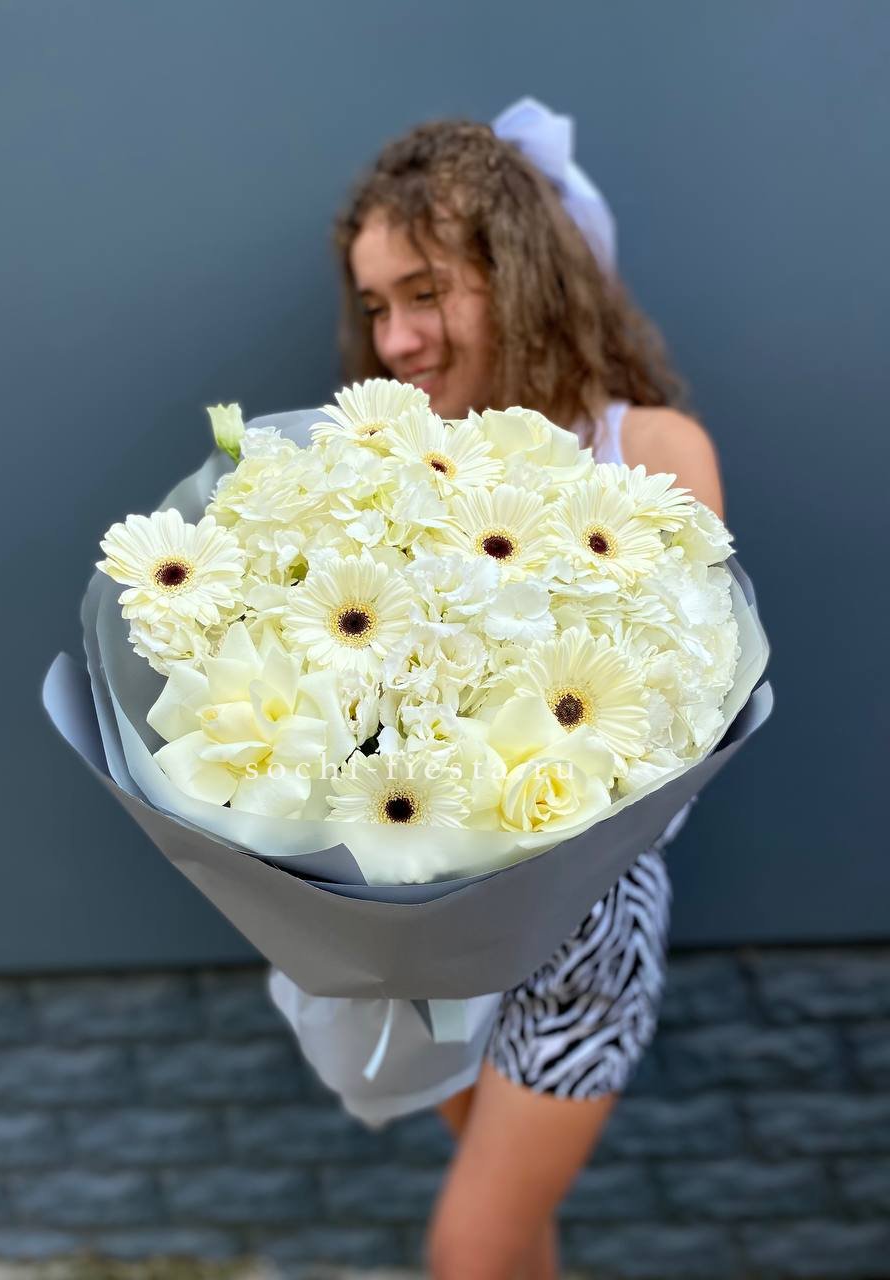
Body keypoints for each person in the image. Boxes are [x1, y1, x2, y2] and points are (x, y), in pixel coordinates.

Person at [327, 100, 725, 1280]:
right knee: (509, 1242)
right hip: (430, 926)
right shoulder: (390, 468)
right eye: (376, 306)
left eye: (426, 292)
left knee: (471, 1249)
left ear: (523, 276)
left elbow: (683, 711)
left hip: (582, 934)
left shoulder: (651, 450)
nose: (398, 338)